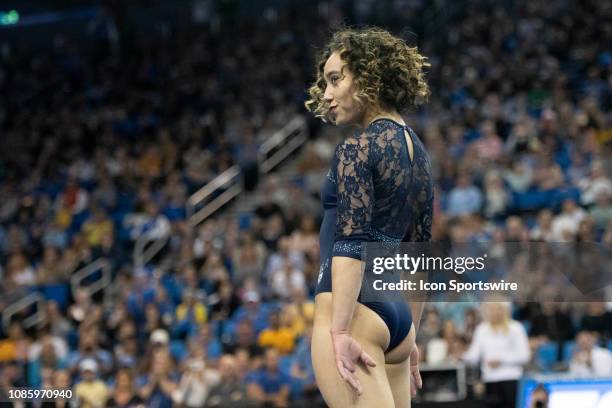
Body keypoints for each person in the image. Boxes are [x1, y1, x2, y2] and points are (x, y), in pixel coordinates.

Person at [305, 27, 434, 407]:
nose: (327, 95)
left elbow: (351, 242)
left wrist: (340, 331)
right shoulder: (420, 155)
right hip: (396, 316)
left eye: (335, 79)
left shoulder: (356, 149)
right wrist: (409, 333)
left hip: (354, 313)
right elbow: (420, 256)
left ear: (370, 76)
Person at [463, 302, 530, 408]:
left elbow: (525, 356)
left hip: (511, 379)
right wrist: (461, 356)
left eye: (498, 309)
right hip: (490, 380)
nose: (495, 312)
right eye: (491, 309)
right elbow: (474, 355)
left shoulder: (516, 327)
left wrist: (502, 361)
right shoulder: (482, 329)